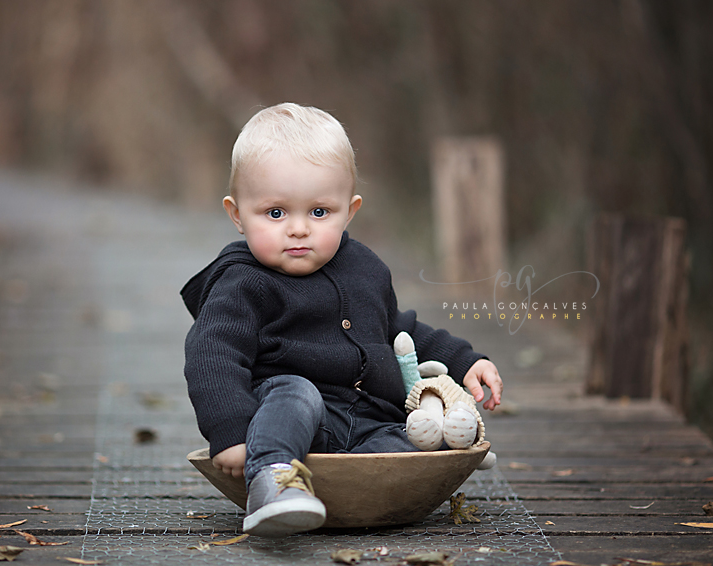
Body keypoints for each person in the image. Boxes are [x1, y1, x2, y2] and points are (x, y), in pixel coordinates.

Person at [181, 102, 502, 537]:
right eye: (275, 213)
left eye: (319, 212)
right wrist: (231, 431)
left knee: (410, 442)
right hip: (290, 423)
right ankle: (273, 482)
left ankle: (427, 457)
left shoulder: (364, 268)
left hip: (368, 423)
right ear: (237, 214)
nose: (298, 229)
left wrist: (465, 361)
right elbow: (212, 356)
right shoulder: (242, 284)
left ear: (349, 211)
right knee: (298, 392)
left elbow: (399, 330)